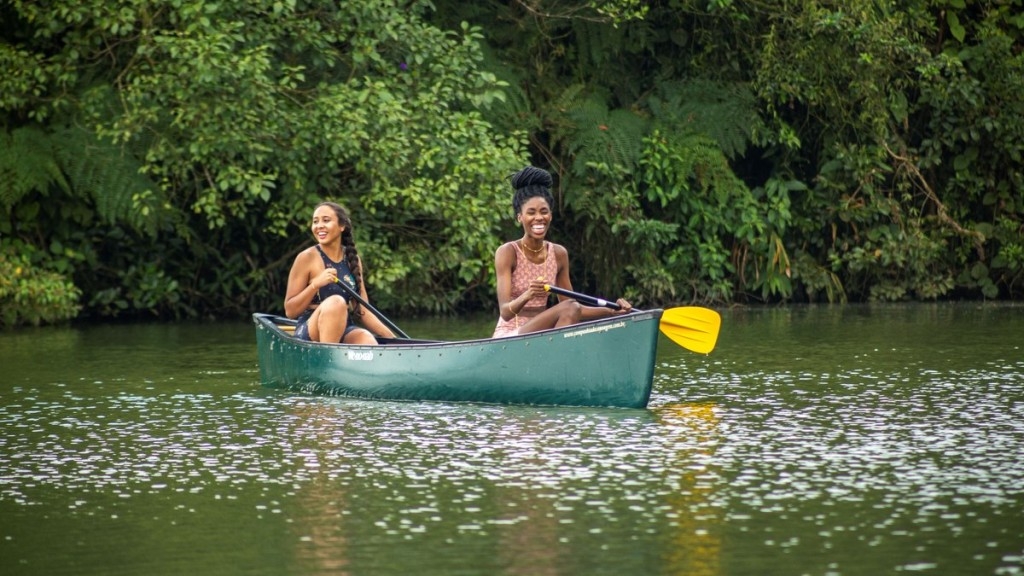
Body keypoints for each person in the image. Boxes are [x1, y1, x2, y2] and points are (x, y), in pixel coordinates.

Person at [493, 166, 632, 338]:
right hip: (509, 335)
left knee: (571, 307)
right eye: (531, 212)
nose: (538, 218)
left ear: (550, 215)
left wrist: (612, 311)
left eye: (544, 212)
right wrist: (527, 295)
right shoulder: (508, 252)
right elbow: (505, 312)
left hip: (541, 335)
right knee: (570, 307)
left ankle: (555, 358)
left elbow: (574, 309)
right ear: (519, 217)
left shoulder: (558, 254)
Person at [284, 201, 396, 344]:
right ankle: (329, 361)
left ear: (342, 226)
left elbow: (363, 311)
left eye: (326, 220)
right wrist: (315, 285)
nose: (319, 226)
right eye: (315, 221)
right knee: (336, 302)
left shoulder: (352, 259)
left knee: (366, 339)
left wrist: (394, 340)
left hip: (344, 326)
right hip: (310, 328)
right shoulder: (306, 258)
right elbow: (290, 311)